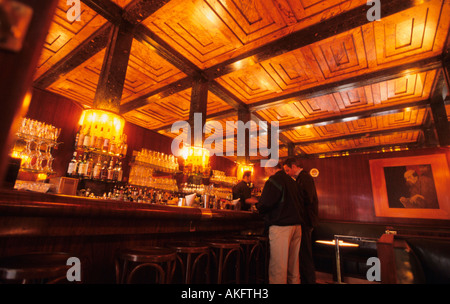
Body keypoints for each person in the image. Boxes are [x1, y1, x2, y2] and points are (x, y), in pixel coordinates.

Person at [256, 163, 306, 284]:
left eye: (265, 171)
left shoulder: (274, 181)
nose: (266, 173)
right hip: (297, 227)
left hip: (281, 227)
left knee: (279, 267)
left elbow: (265, 204)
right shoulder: (293, 181)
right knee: (293, 267)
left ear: (269, 168)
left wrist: (258, 206)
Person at [284, 157, 319, 284]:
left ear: (294, 167)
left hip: (306, 220)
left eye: (288, 170)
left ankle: (309, 281)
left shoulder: (305, 178)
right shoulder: (300, 179)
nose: (287, 173)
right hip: (305, 220)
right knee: (303, 253)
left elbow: (307, 198)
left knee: (305, 254)